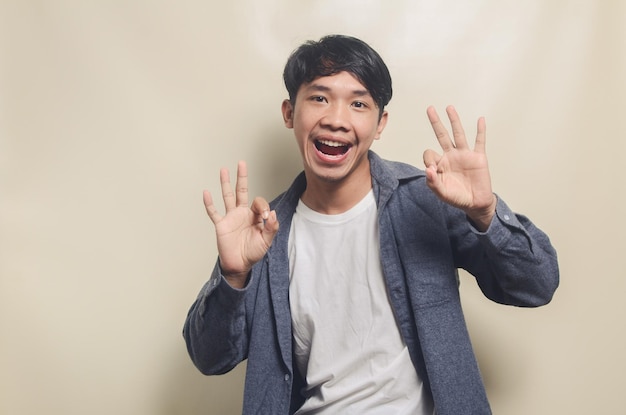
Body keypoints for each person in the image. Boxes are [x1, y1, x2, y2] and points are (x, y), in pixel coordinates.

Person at [183, 34, 559, 415]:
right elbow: (210, 359)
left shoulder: (424, 199)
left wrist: (485, 212)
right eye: (318, 97)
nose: (336, 119)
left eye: (358, 103)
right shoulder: (263, 235)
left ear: (380, 124)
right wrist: (232, 276)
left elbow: (537, 285)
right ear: (288, 112)